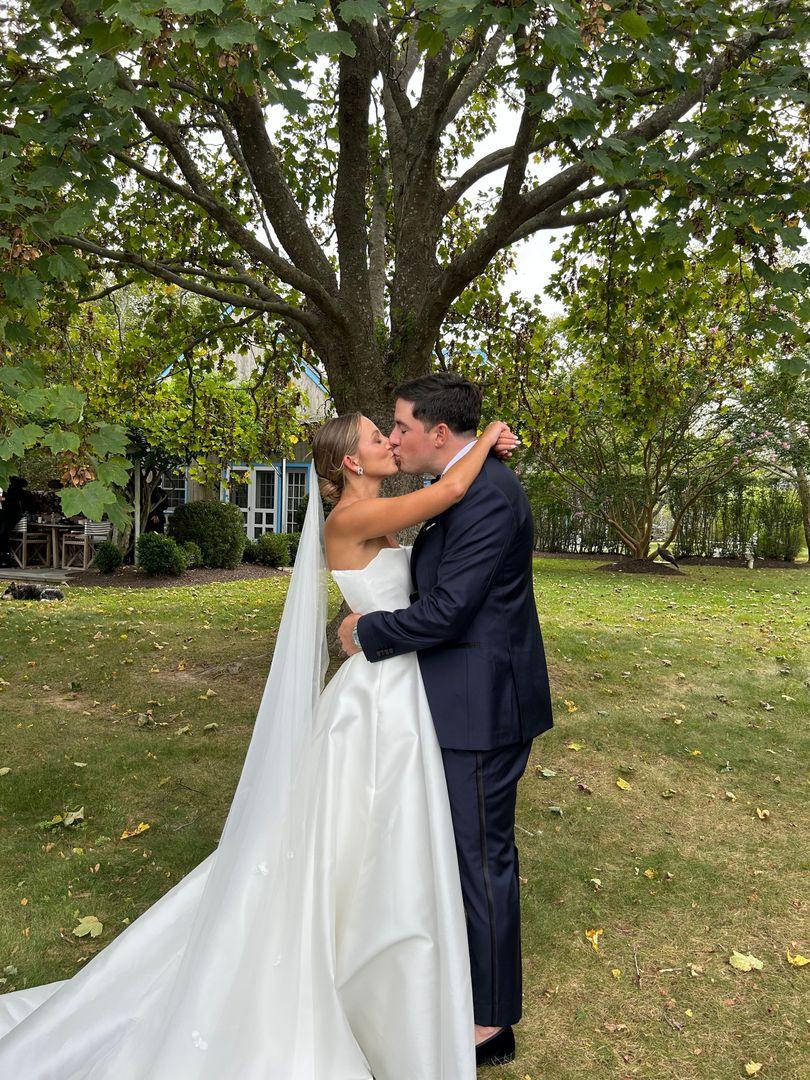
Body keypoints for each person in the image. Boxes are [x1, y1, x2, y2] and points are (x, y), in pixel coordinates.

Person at [0, 409, 517, 1079]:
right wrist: (490, 432)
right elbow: (447, 492)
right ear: (352, 463)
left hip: (396, 687)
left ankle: (386, 974)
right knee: (349, 835)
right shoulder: (348, 522)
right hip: (375, 699)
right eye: (375, 436)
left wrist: (365, 620)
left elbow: (436, 525)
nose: (390, 441)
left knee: (379, 835)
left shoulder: (378, 511)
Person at [338, 373, 553, 1067]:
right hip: (448, 697)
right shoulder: (460, 483)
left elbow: (449, 611)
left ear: (438, 431)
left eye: (399, 426)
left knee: (481, 858)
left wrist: (365, 634)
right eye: (387, 429)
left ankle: (491, 1023)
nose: (394, 437)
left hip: (482, 706)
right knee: (456, 853)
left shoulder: (486, 493)